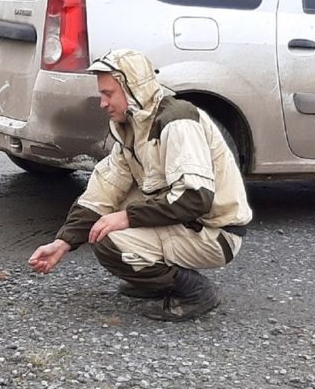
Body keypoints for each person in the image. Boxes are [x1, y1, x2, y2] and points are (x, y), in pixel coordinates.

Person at [28, 49, 252, 322]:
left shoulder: (177, 121)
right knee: (106, 221)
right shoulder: (132, 129)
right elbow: (104, 189)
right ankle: (154, 281)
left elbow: (195, 198)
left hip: (215, 233)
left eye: (108, 94)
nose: (102, 103)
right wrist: (63, 242)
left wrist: (127, 217)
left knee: (110, 238)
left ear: (131, 88)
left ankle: (195, 292)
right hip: (189, 225)